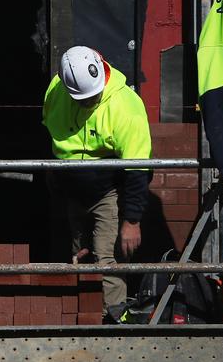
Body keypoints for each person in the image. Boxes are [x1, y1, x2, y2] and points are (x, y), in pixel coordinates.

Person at [42, 45, 151, 321]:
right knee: (78, 256)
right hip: (70, 190)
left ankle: (114, 319)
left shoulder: (126, 107)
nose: (90, 102)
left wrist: (132, 220)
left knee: (107, 258)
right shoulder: (56, 91)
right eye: (82, 99)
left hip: (108, 191)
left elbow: (138, 169)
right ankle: (82, 314)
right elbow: (48, 131)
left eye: (93, 96)